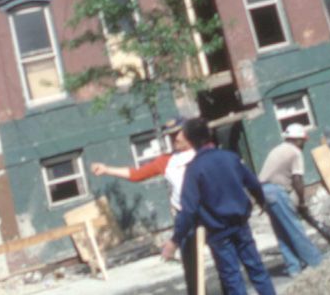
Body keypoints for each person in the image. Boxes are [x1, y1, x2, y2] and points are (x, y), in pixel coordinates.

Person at [162, 118, 275, 295]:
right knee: (257, 270)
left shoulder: (194, 169)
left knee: (232, 278)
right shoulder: (230, 157)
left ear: (191, 140)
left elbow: (188, 209)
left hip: (218, 232)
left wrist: (175, 240)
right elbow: (253, 183)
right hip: (240, 225)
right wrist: (263, 203)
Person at [92, 117, 199, 293]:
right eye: (170, 136)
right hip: (185, 216)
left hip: (210, 212)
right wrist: (107, 169)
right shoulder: (166, 161)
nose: (174, 139)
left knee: (226, 262)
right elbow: (137, 174)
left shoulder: (203, 153)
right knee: (191, 268)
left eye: (177, 134)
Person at [258, 123, 324, 277]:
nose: (304, 145)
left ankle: (293, 267)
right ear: (299, 140)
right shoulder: (295, 152)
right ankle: (317, 262)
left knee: (282, 232)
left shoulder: (278, 149)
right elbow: (297, 181)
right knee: (295, 229)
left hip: (263, 193)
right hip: (276, 192)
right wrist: (302, 202)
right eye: (304, 141)